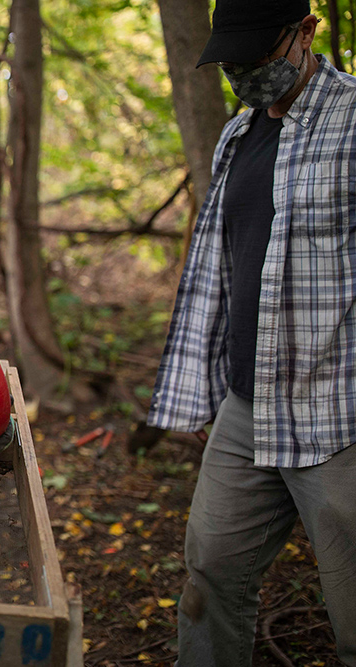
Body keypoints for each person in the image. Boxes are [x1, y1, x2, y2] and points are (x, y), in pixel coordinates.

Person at [148, 1, 356, 665]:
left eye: (255, 56)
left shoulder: (352, 120)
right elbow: (223, 270)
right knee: (209, 573)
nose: (241, 72)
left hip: (338, 418)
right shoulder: (235, 136)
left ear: (304, 33)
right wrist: (207, 388)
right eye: (230, 61)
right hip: (245, 410)